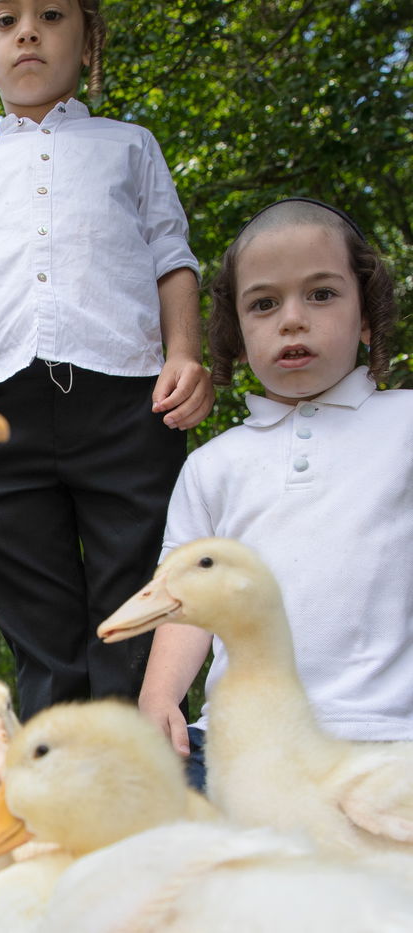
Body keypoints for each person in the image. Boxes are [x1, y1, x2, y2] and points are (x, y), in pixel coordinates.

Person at [0, 0, 213, 720]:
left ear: (88, 43)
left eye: (51, 14)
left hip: (125, 402)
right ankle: (59, 775)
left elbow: (172, 258)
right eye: (4, 21)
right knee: (42, 625)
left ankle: (139, 766)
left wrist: (184, 353)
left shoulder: (129, 146)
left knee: (131, 602)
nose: (27, 31)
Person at [137, 198, 412, 788]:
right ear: (237, 339)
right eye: (264, 304)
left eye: (321, 294)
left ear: (366, 318)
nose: (292, 319)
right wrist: (159, 697)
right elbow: (187, 601)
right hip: (239, 747)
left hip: (389, 739)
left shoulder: (406, 425)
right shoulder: (214, 467)